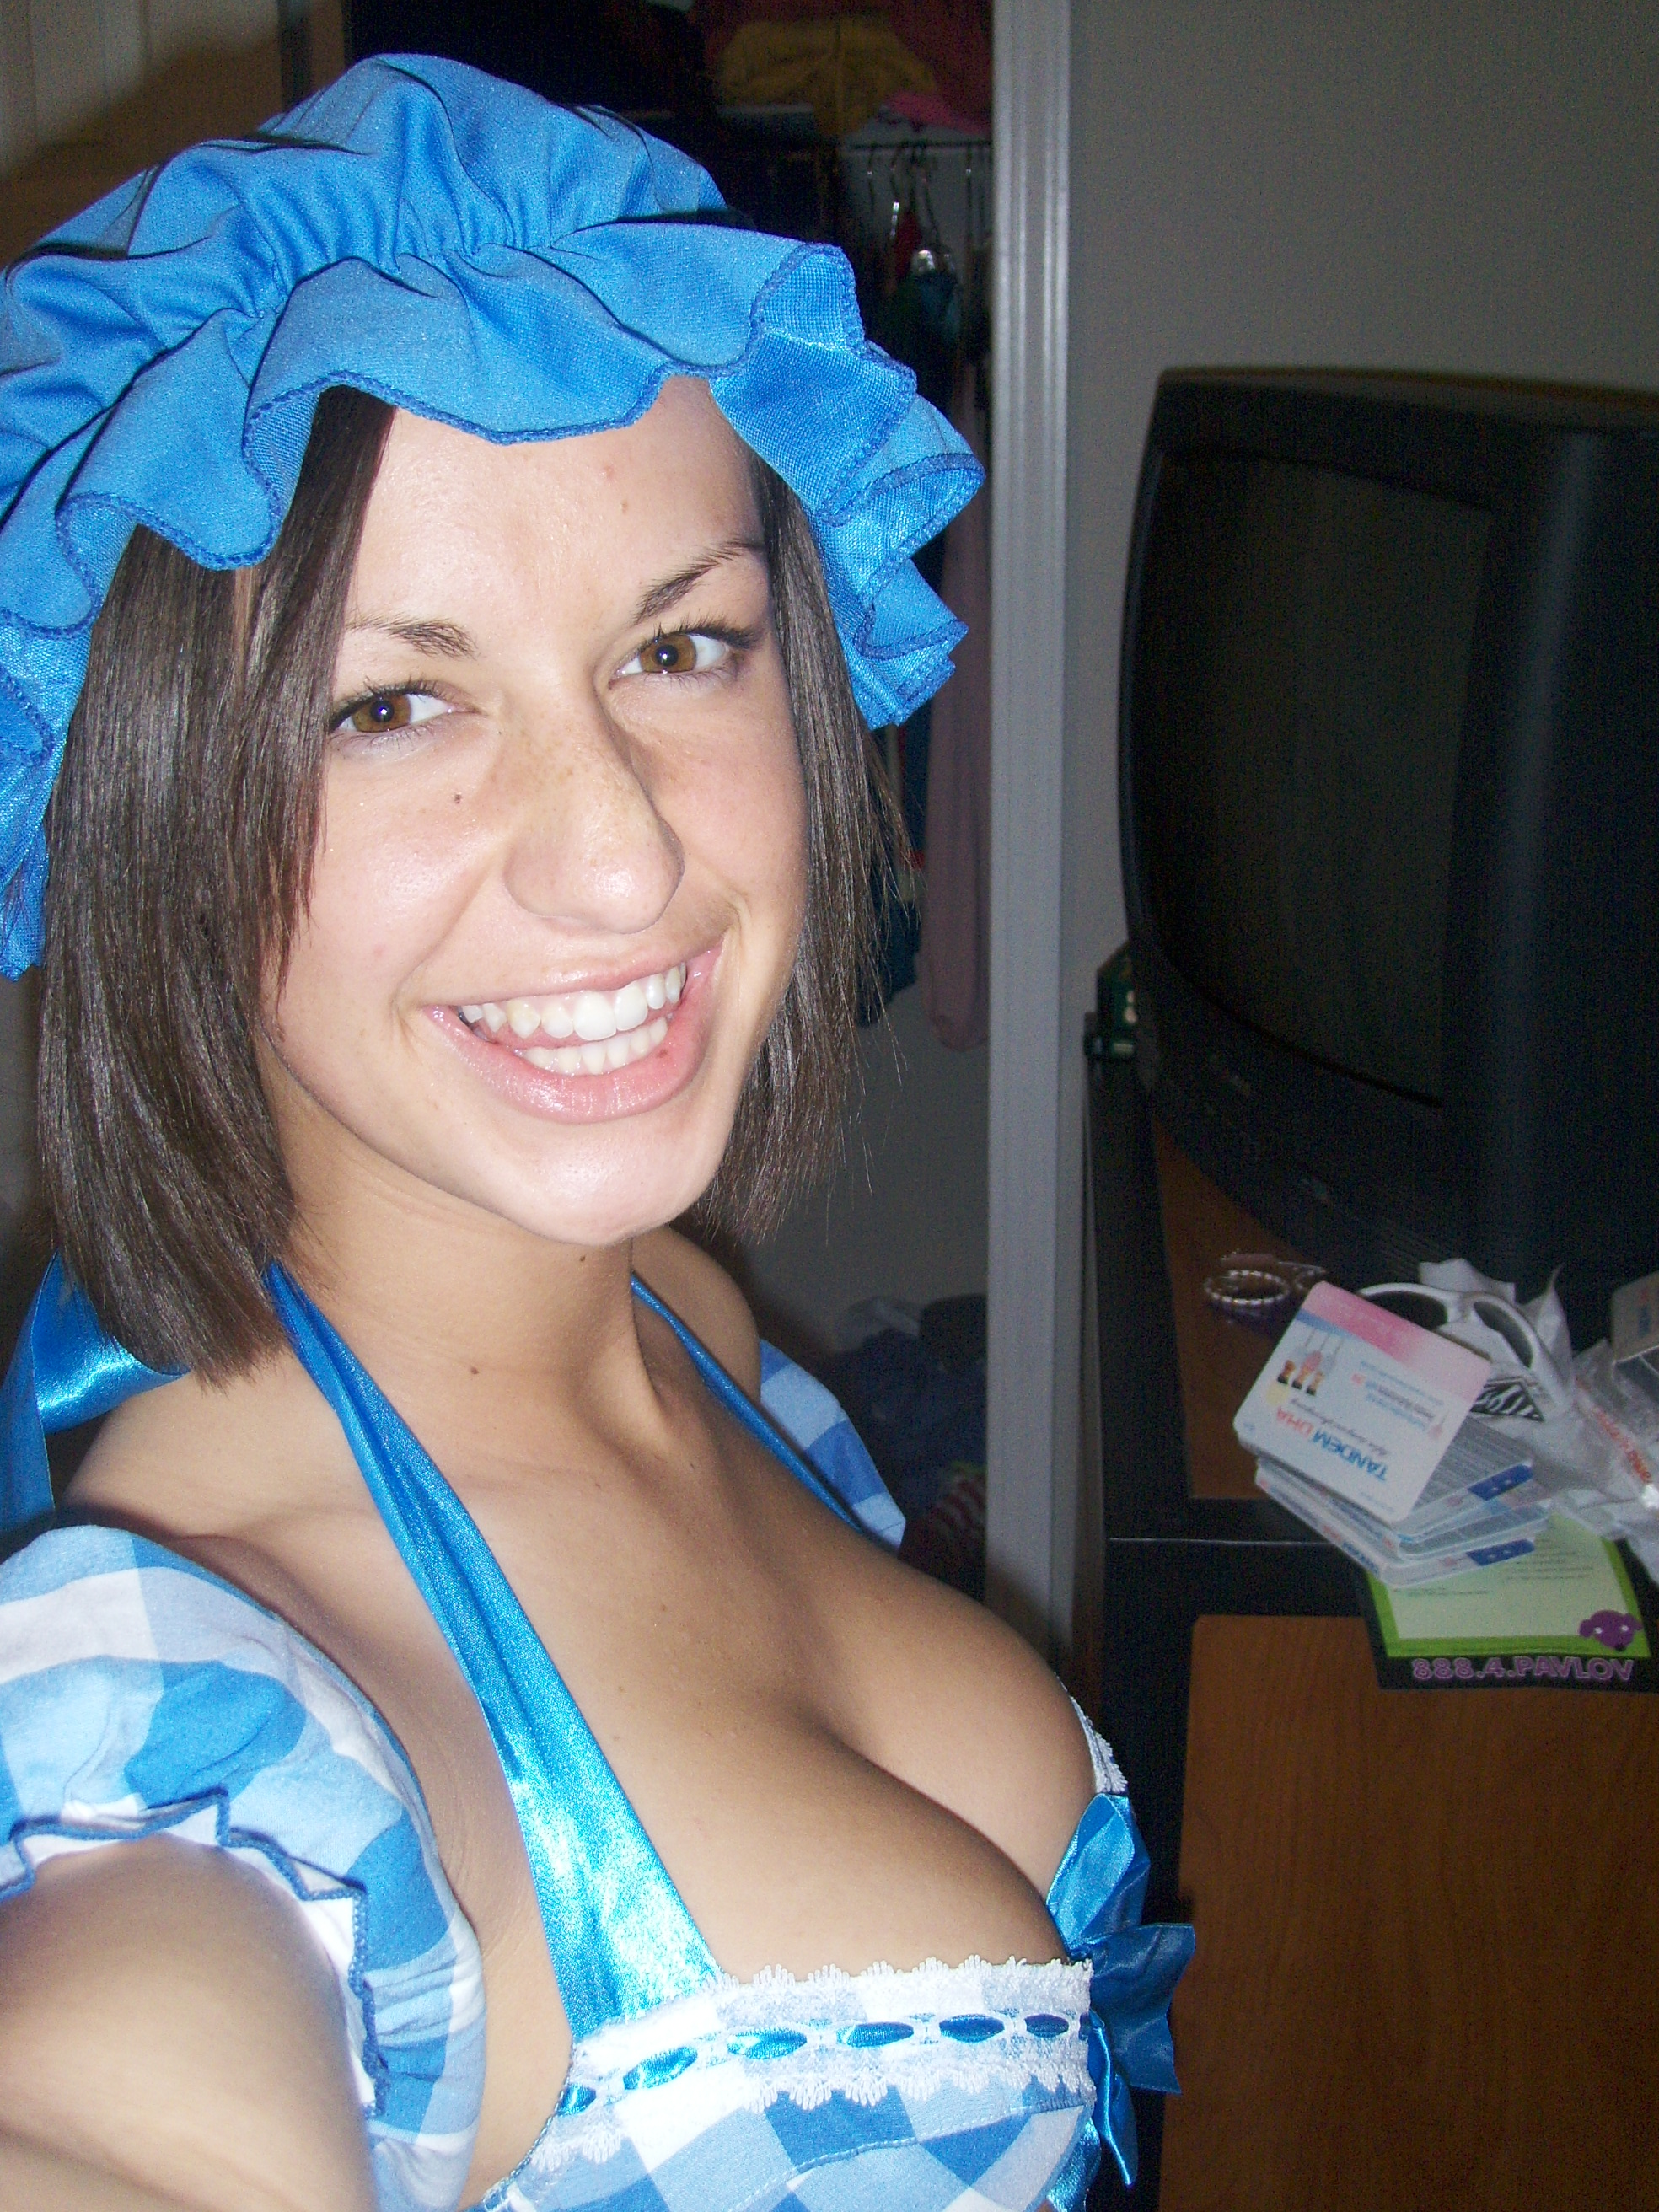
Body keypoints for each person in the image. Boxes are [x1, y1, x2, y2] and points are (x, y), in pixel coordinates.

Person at [0, 56, 1190, 2212]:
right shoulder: (240, 1753)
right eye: (393, 702)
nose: (624, 856)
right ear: (149, 804)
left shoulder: (671, 1316)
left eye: (682, 645)